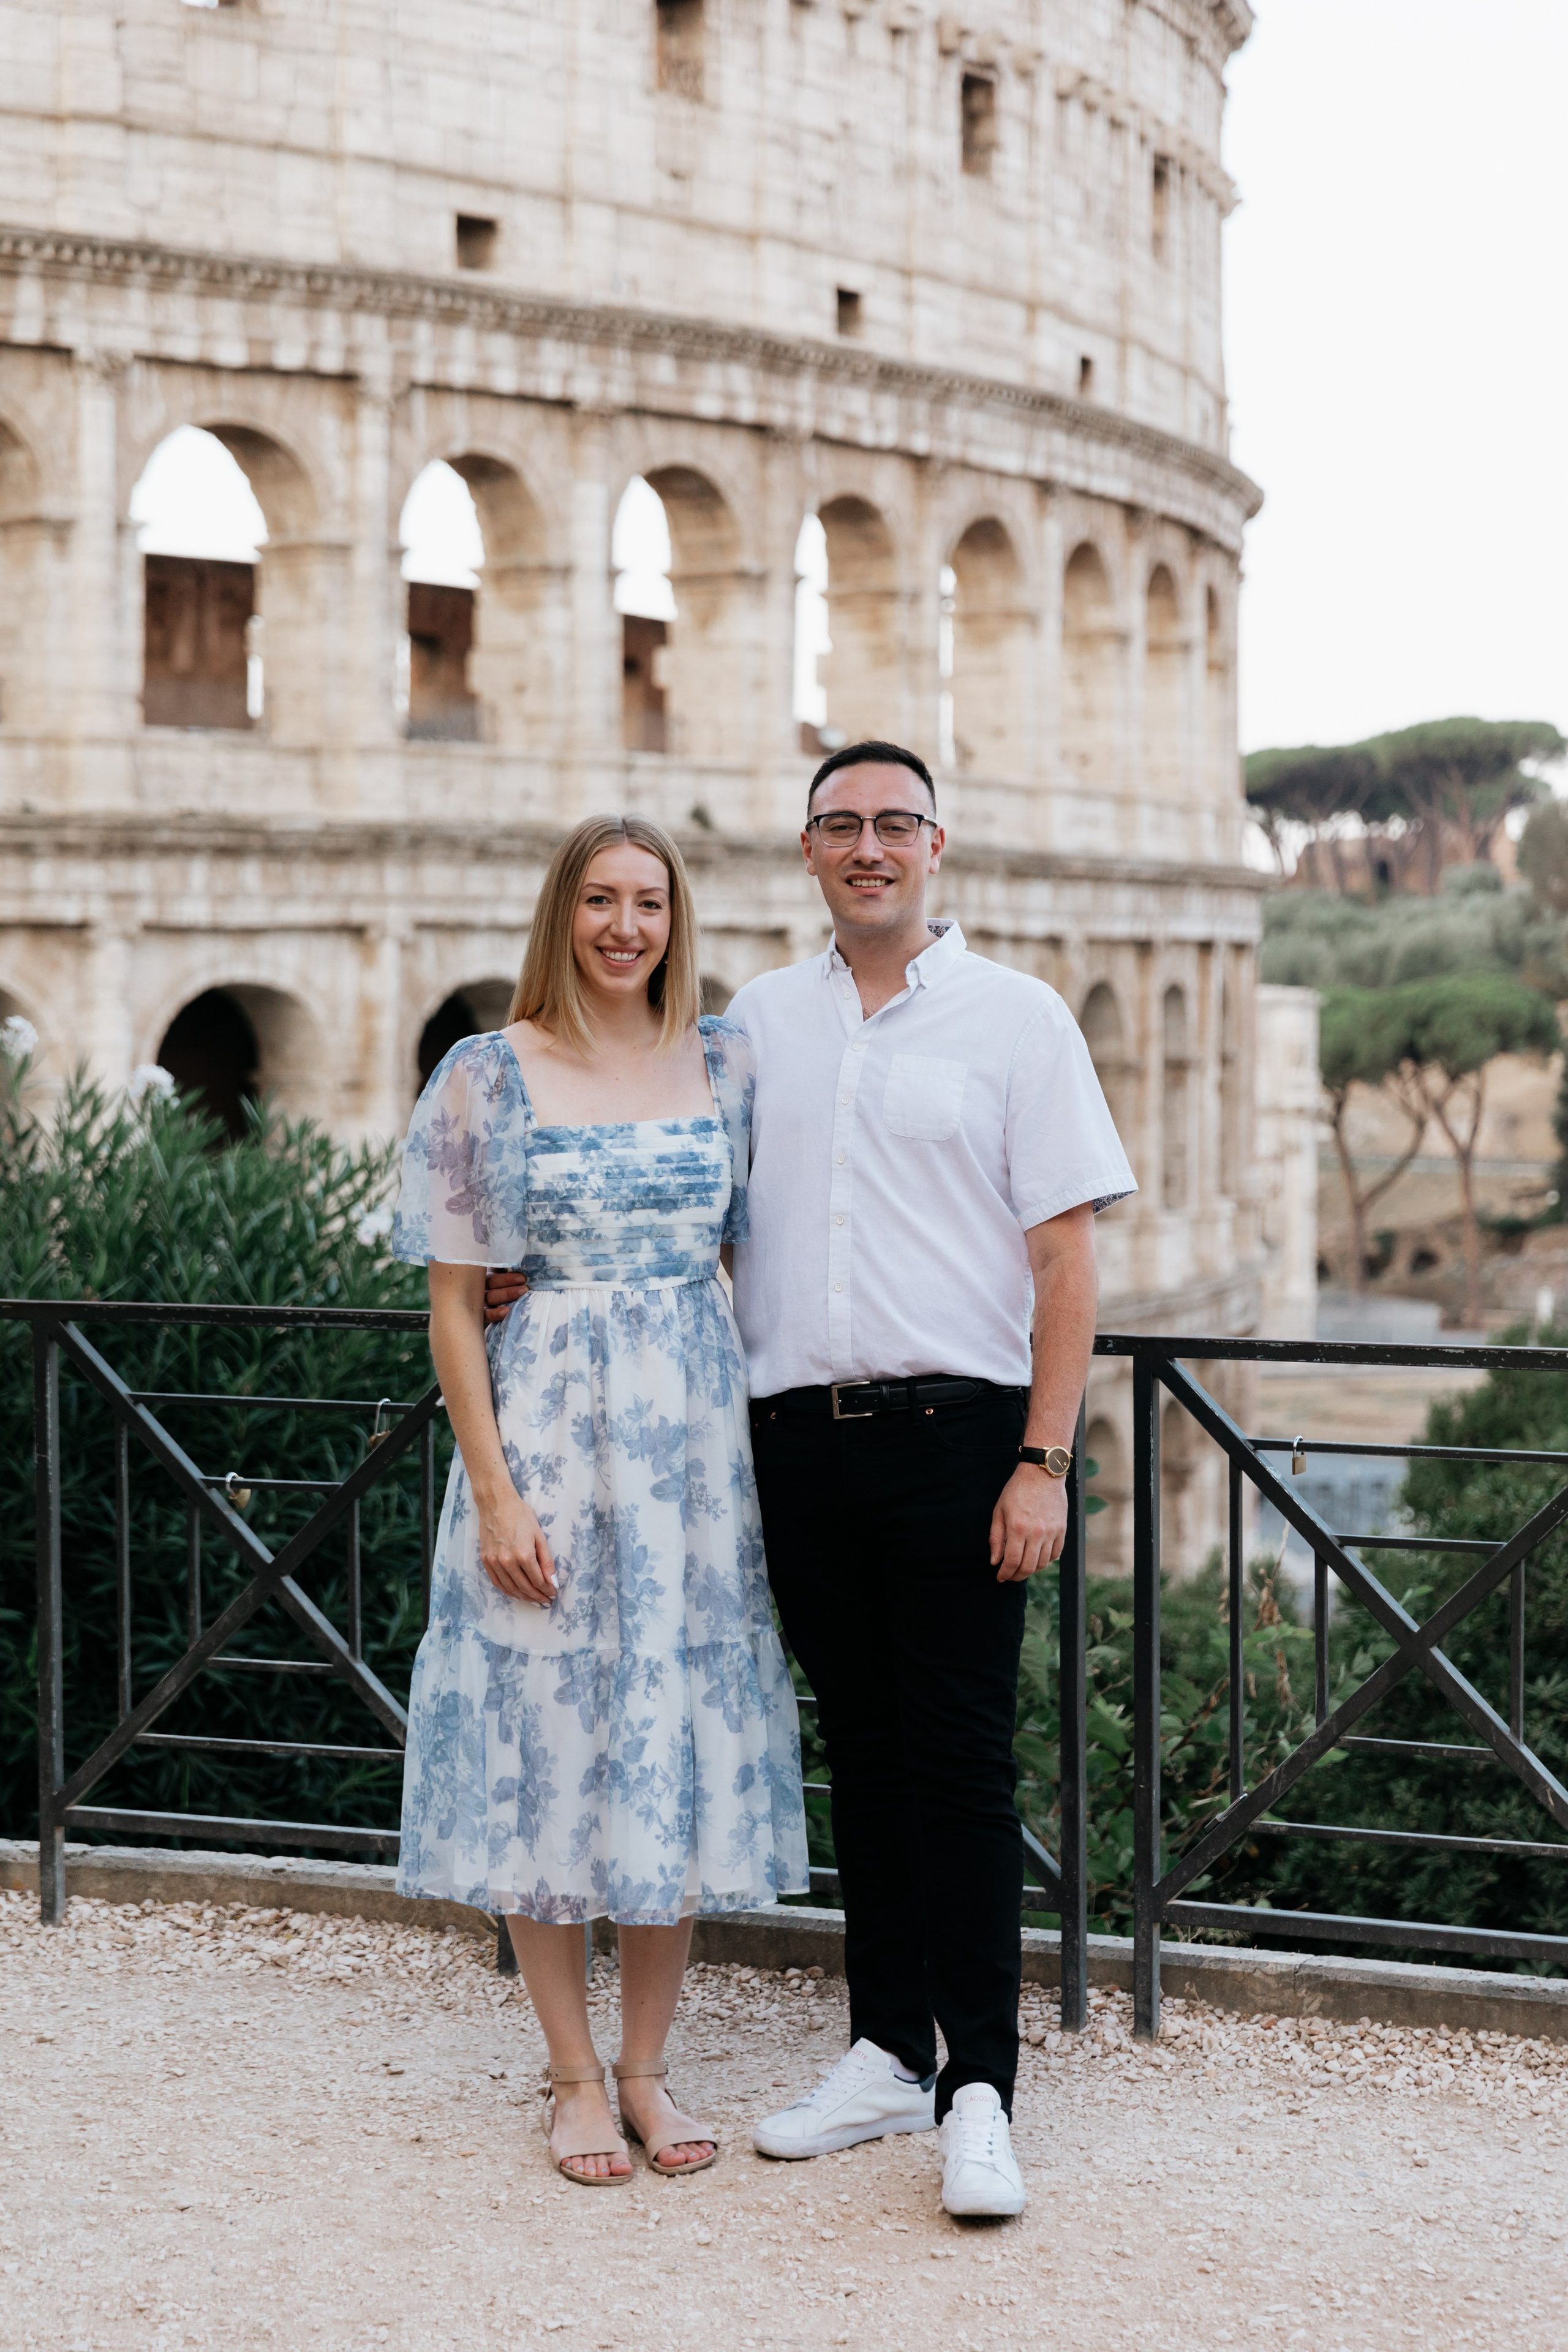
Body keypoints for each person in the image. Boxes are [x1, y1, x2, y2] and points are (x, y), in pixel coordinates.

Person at [490, 740, 1134, 2217]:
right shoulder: (752, 1028)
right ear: (804, 852)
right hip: (792, 1444)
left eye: (891, 824)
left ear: (934, 843)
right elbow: (672, 1195)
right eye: (838, 825)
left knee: (962, 1762)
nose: (867, 848)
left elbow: (1064, 1258)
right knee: (865, 1754)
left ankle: (980, 2084)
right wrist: (547, 1280)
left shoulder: (1016, 1019)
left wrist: (1043, 1456)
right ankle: (878, 2053)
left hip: (963, 1437)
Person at [394, 812, 808, 2187]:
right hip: (549, 1443)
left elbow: (757, 1262)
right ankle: (571, 2073)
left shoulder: (730, 1061)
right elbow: (456, 1310)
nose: (626, 926)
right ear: (560, 915)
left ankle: (646, 2063)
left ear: (675, 918)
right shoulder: (484, 1074)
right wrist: (494, 1493)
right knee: (546, 1740)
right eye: (599, 902)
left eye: (649, 901)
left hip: (692, 1458)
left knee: (670, 1737)